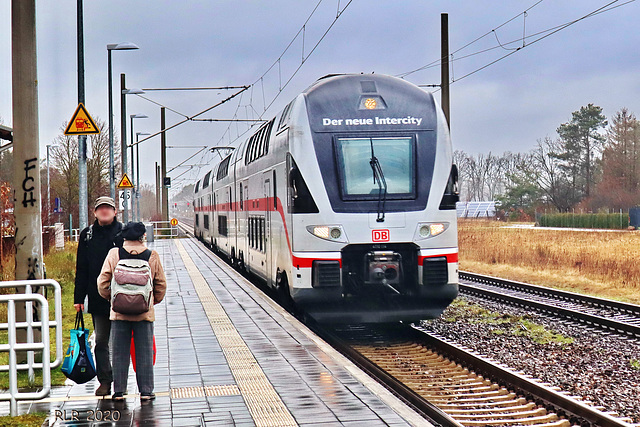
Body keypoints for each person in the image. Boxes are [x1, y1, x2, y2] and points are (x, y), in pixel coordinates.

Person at [97, 222, 166, 401]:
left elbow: (102, 283)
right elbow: (160, 284)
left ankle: (119, 391)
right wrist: (151, 302)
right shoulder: (152, 255)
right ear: (143, 236)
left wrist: (112, 300)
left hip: (119, 313)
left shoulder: (115, 254)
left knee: (119, 353)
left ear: (124, 237)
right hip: (144, 313)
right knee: (145, 352)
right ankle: (146, 391)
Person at [74, 196, 123, 396]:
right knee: (101, 341)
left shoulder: (124, 233)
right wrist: (78, 298)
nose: (104, 211)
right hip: (97, 298)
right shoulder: (87, 235)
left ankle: (121, 383)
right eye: (100, 208)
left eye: (108, 208)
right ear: (94, 212)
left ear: (114, 212)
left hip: (123, 297)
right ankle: (105, 381)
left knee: (120, 343)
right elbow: (82, 269)